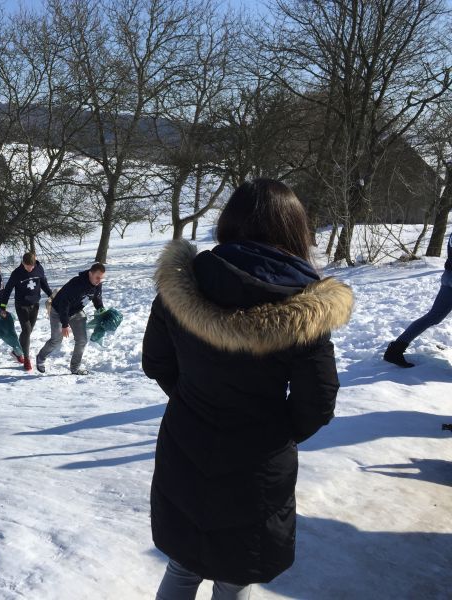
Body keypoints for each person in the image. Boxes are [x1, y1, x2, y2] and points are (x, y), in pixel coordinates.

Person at [142, 179, 353, 600]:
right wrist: (275, 432)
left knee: (183, 565)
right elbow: (318, 400)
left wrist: (192, 398)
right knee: (235, 574)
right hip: (257, 464)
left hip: (185, 445)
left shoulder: (183, 284)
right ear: (295, 228)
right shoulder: (305, 307)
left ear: (229, 220)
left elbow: (157, 362)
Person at [383, 232, 452, 367]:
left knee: (433, 317)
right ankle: (395, 351)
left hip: (449, 278)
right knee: (433, 317)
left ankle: (395, 350)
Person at [36, 263, 106, 375]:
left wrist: (101, 310)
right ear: (90, 274)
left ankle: (75, 368)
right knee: (56, 340)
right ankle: (41, 357)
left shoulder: (97, 284)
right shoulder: (76, 283)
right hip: (58, 311)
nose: (99, 281)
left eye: (101, 278)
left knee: (82, 340)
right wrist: (64, 324)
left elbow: (97, 298)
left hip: (76, 312)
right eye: (97, 277)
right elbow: (64, 304)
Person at [0, 252, 53, 372]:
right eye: (28, 266)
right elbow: (7, 290)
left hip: (35, 305)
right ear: (23, 262)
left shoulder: (39, 269)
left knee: (27, 332)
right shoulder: (17, 273)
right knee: (27, 330)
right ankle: (26, 359)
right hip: (21, 306)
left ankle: (16, 351)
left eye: (32, 266)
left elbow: (43, 284)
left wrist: (52, 295)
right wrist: (3, 306)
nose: (30, 269)